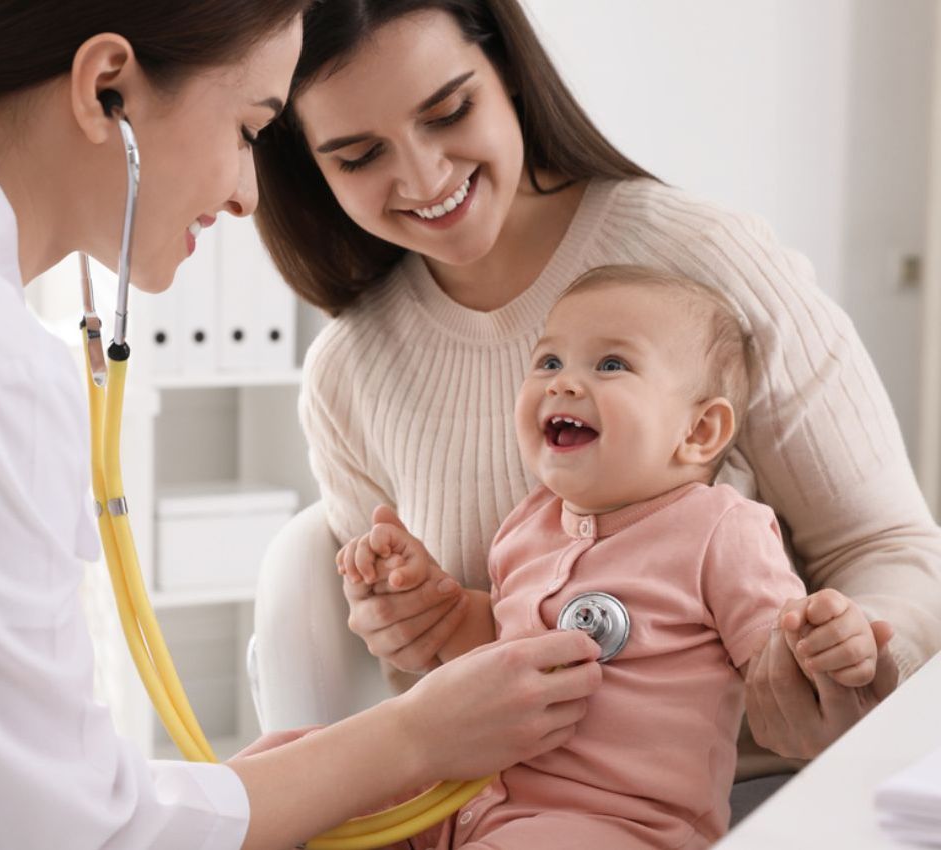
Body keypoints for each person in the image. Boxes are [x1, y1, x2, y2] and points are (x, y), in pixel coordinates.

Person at [0, 3, 608, 849]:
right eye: (249, 131)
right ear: (106, 86)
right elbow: (79, 837)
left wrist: (245, 791)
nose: (247, 193)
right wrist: (415, 736)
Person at [253, 0, 941, 780]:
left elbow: (888, 548)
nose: (423, 176)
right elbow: (435, 684)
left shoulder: (705, 260)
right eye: (357, 155)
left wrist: (852, 656)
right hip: (505, 811)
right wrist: (405, 629)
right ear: (309, 167)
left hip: (754, 794)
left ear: (506, 72)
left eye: (449, 111)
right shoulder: (349, 372)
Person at [337, 265, 881, 848]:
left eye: (611, 365)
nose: (562, 384)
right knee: (312, 777)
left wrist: (826, 647)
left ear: (699, 430)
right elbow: (499, 649)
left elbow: (782, 673)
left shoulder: (720, 531)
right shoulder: (529, 524)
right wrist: (430, 603)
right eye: (549, 361)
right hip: (463, 800)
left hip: (614, 825)